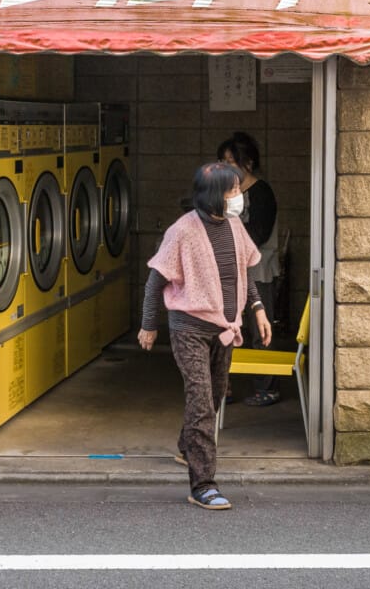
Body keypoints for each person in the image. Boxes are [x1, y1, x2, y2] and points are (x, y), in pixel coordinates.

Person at [138, 162, 271, 511]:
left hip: (225, 329)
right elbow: (156, 281)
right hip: (190, 330)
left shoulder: (234, 226)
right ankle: (204, 484)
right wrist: (148, 325)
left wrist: (257, 308)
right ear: (214, 196)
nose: (239, 198)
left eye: (238, 191)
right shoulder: (182, 231)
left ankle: (188, 446)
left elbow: (244, 271)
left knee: (212, 398)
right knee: (200, 401)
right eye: (233, 192)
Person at [217, 132, 281, 406]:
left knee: (260, 329)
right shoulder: (226, 192)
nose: (226, 167)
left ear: (249, 164)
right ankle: (224, 386)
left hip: (259, 270)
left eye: (232, 161)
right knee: (225, 328)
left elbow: (259, 234)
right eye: (222, 161)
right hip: (231, 272)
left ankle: (267, 387)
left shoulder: (262, 192)